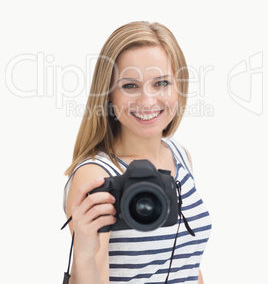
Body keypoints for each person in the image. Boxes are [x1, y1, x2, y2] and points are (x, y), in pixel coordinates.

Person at [63, 21, 212, 284]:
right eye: (130, 86)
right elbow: (92, 273)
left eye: (161, 83)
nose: (147, 100)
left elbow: (188, 265)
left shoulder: (180, 155)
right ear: (108, 94)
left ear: (180, 87)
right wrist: (83, 256)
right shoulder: (96, 176)